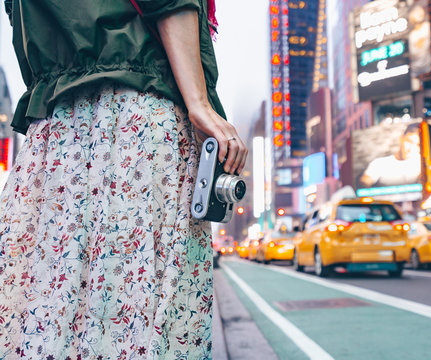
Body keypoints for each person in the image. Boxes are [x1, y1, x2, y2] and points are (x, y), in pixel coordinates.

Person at [0, 0, 247, 358]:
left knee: (45, 316)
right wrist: (200, 102)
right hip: (134, 127)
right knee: (142, 321)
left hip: (54, 137)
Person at [359, 122, 421, 187]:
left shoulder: (422, 164)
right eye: (409, 142)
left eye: (418, 145)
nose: (411, 149)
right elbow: (366, 181)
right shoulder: (380, 163)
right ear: (401, 138)